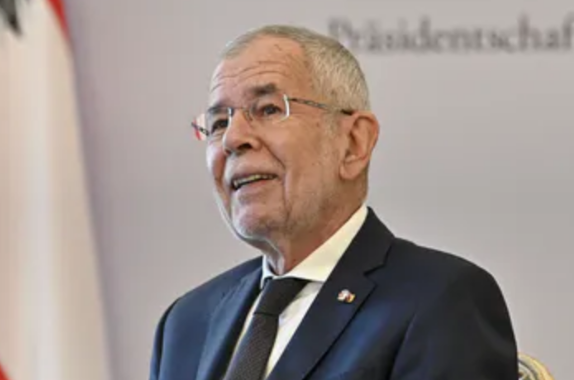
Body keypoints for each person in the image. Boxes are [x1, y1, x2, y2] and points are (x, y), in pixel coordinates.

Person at [149, 24, 518, 380]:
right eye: (218, 123)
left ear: (354, 143)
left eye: (268, 109)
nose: (233, 139)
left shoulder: (439, 300)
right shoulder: (186, 323)